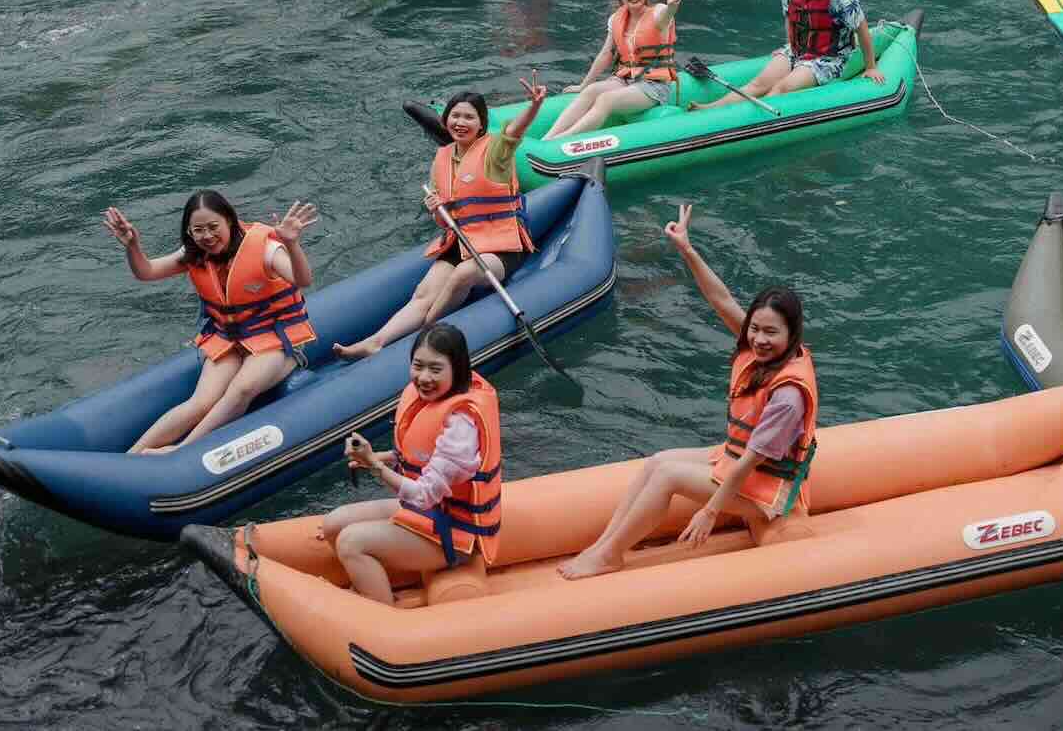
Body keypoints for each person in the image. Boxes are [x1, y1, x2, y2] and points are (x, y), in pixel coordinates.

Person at [558, 203, 817, 580]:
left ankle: (610, 556)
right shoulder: (757, 349)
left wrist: (711, 510)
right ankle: (602, 544)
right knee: (657, 462)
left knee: (669, 477)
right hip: (740, 461)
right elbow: (721, 299)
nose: (759, 339)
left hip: (770, 489)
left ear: (792, 334)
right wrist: (687, 249)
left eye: (771, 333)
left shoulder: (789, 395)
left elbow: (751, 463)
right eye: (755, 329)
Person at [333, 74, 547, 360]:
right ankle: (376, 341)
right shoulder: (443, 158)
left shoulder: (496, 150)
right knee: (424, 292)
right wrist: (437, 209)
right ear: (446, 121)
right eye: (455, 116)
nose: (460, 122)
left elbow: (515, 131)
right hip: (461, 242)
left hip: (501, 245)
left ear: (481, 124)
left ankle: (426, 333)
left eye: (468, 117)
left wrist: (534, 107)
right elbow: (446, 223)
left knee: (464, 274)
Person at [101, 192, 319, 454]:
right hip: (230, 339)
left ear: (229, 220)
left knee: (242, 388)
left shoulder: (266, 248)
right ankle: (132, 456)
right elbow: (146, 272)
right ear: (190, 232)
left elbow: (302, 279)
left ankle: (182, 450)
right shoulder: (194, 253)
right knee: (200, 402)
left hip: (276, 340)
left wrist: (292, 244)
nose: (207, 236)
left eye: (214, 227)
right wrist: (132, 245)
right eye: (198, 230)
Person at [317, 323, 501, 602]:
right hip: (431, 516)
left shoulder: (461, 425)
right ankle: (368, 578)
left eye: (436, 369)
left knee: (350, 541)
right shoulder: (427, 398)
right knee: (333, 524)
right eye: (418, 366)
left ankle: (384, 617)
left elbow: (424, 495)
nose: (424, 377)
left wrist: (376, 467)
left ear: (458, 369)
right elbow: (419, 457)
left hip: (455, 534)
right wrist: (376, 458)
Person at [691, 0, 886, 111]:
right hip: (799, 50)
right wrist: (791, 46)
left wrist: (870, 67)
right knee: (758, 84)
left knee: (781, 88)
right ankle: (711, 109)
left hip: (829, 59)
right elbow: (791, 20)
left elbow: (862, 29)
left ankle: (739, 120)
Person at [544, 0, 682, 138]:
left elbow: (666, 17)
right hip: (626, 80)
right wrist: (583, 84)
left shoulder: (659, 12)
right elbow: (606, 54)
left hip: (654, 86)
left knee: (605, 100)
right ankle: (547, 138)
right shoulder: (616, 18)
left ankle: (558, 142)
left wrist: (672, 7)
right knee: (591, 91)